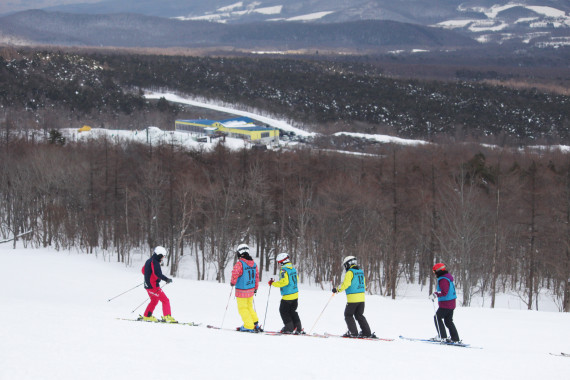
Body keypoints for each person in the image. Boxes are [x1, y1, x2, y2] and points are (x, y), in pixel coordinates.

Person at [332, 256, 374, 338]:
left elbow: (346, 284)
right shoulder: (360, 272)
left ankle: (353, 332)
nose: (345, 267)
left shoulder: (350, 272)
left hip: (353, 299)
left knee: (348, 314)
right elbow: (364, 285)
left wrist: (337, 289)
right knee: (359, 315)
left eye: (345, 265)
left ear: (348, 264)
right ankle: (367, 332)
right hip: (362, 299)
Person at [268, 253, 304, 334]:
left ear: (282, 262)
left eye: (279, 262)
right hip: (295, 295)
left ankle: (289, 328)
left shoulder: (284, 270)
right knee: (292, 311)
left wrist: (273, 283)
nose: (279, 264)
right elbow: (297, 279)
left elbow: (284, 282)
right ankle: (298, 327)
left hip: (287, 296)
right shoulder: (293, 269)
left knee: (283, 311)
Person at [139, 246, 177, 323]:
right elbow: (157, 274)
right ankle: (167, 317)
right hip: (153, 286)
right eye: (163, 256)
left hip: (147, 285)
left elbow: (143, 271)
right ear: (159, 255)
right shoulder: (155, 262)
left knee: (154, 300)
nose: (163, 258)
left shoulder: (148, 261)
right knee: (165, 300)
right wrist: (166, 279)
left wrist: (149, 277)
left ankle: (147, 316)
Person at [230, 244, 262, 332]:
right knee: (249, 307)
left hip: (242, 290)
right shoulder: (254, 264)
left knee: (242, 308)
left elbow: (235, 273)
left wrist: (233, 282)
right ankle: (255, 323)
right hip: (251, 290)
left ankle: (248, 325)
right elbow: (257, 277)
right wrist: (256, 287)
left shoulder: (240, 264)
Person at [430, 262, 460, 343]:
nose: (434, 273)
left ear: (439, 271)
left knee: (437, 318)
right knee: (448, 321)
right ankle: (455, 338)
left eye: (434, 271)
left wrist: (435, 294)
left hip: (446, 304)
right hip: (451, 303)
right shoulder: (447, 277)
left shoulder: (443, 279)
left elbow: (444, 292)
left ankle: (442, 337)